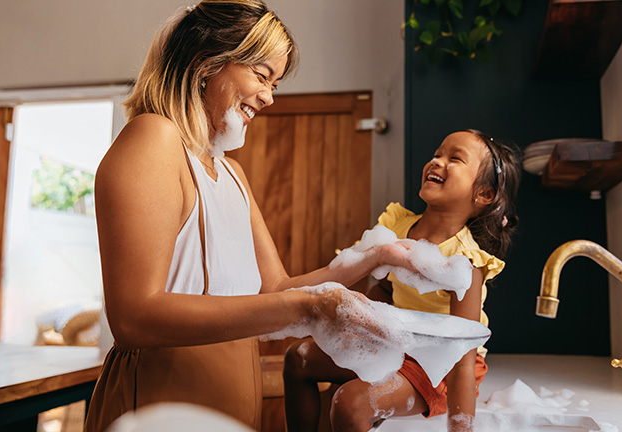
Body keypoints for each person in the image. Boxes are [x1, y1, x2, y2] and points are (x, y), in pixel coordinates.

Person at [84, 1, 412, 430]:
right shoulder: (153, 139)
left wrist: (372, 257)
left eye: (274, 83)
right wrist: (306, 306)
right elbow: (132, 317)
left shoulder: (232, 173)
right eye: (262, 76)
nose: (269, 97)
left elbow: (275, 289)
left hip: (228, 406)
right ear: (206, 62)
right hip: (157, 403)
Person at [283, 129, 523, 432]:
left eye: (455, 158)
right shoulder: (397, 226)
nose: (437, 161)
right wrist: (363, 320)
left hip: (440, 365)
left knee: (349, 403)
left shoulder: (464, 263)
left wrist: (461, 426)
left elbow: (462, 355)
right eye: (437, 154)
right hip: (394, 343)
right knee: (298, 357)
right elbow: (386, 287)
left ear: (483, 194)